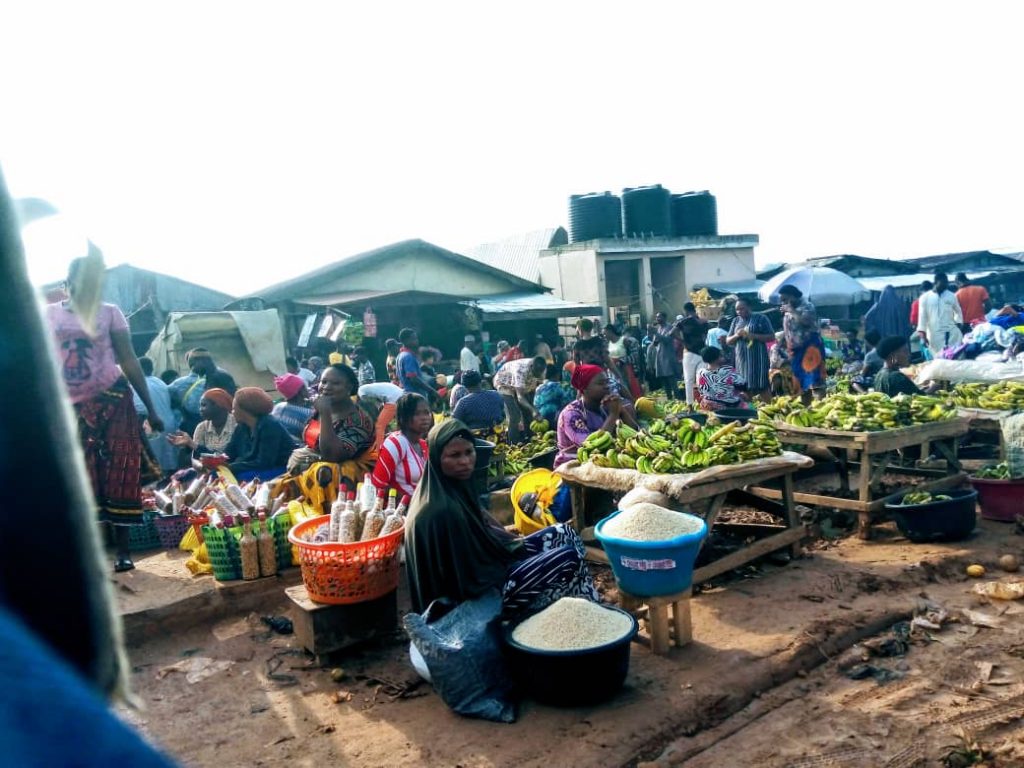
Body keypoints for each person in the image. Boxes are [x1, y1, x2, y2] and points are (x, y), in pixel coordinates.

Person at [405, 419, 600, 615]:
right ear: (437, 457)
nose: (464, 461)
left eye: (469, 452)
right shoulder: (441, 510)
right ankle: (577, 615)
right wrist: (522, 561)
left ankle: (582, 609)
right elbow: (467, 579)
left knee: (563, 532)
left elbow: (485, 526)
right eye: (454, 455)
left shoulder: (452, 488)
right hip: (474, 601)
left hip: (485, 570)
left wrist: (518, 545)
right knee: (567, 558)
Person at [45, 255, 164, 573]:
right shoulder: (50, 315)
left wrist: (151, 409)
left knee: (121, 473)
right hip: (70, 405)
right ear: (67, 284)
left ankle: (123, 552)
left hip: (114, 400)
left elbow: (128, 360)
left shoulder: (110, 313)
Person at [287, 363, 376, 483]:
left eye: (336, 383)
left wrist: (325, 414)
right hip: (307, 475)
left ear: (349, 387)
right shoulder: (321, 410)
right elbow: (311, 442)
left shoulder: (358, 420)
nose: (326, 387)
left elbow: (333, 456)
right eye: (323, 382)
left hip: (342, 480)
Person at [555, 364, 636, 467]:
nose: (607, 386)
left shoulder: (605, 406)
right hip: (573, 466)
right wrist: (613, 414)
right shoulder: (571, 414)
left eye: (607, 382)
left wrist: (621, 410)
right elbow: (592, 447)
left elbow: (635, 435)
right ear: (584, 389)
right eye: (601, 383)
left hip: (602, 461)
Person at [372, 393, 432, 498]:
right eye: (417, 413)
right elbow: (378, 484)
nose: (424, 418)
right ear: (404, 418)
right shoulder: (395, 443)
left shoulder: (424, 445)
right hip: (400, 509)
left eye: (427, 413)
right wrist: (409, 503)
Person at [168, 348, 237, 435]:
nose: (192, 369)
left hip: (222, 425)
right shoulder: (208, 376)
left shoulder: (220, 376)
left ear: (202, 361)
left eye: (193, 365)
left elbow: (230, 402)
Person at [778, 285, 826, 403]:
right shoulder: (789, 310)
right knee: (801, 384)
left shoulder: (807, 306)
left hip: (810, 348)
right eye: (782, 301)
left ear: (793, 295)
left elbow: (806, 321)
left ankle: (820, 407)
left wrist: (791, 311)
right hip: (796, 350)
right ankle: (806, 408)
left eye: (785, 299)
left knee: (816, 381)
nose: (783, 303)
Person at [132, 356, 179, 474]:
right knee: (169, 460)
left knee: (154, 463)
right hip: (169, 425)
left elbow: (139, 408)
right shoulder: (160, 383)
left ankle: (158, 490)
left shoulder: (136, 385)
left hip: (151, 425)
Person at [168, 387, 238, 464]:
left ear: (218, 405)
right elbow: (196, 457)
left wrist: (191, 443)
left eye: (203, 405)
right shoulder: (202, 427)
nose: (200, 409)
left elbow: (230, 457)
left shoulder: (237, 424)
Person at [727, 299, 773, 400]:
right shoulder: (736, 321)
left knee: (762, 386)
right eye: (737, 310)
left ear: (749, 307)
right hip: (742, 361)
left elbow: (771, 336)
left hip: (758, 360)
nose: (739, 312)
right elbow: (728, 341)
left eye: (742, 308)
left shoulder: (761, 318)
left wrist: (754, 336)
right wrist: (737, 335)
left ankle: (770, 409)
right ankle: (751, 411)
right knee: (745, 388)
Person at [493, 355, 547, 442]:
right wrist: (533, 410)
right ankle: (513, 443)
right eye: (535, 374)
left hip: (523, 385)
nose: (538, 376)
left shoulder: (541, 368)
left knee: (527, 413)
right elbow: (520, 397)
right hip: (505, 384)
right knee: (514, 416)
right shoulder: (521, 371)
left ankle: (530, 438)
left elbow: (533, 389)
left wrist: (532, 408)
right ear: (532, 368)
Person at [916, 272, 963, 351]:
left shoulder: (951, 296)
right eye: (944, 282)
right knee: (939, 360)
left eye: (947, 282)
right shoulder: (924, 298)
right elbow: (922, 317)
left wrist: (958, 324)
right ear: (936, 282)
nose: (946, 284)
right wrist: (922, 335)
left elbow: (958, 311)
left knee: (954, 357)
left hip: (952, 334)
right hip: (934, 335)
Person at [695, 346, 748, 411]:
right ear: (717, 358)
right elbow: (743, 384)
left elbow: (700, 389)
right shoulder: (727, 370)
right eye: (721, 356)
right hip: (728, 407)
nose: (723, 357)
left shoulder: (700, 372)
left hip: (707, 405)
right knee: (743, 398)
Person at [396, 328, 440, 403]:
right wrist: (431, 390)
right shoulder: (408, 357)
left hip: (407, 395)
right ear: (406, 341)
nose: (417, 341)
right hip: (415, 397)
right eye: (414, 338)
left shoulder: (400, 356)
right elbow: (413, 378)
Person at [677, 303, 707, 406]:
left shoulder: (683, 321)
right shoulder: (702, 321)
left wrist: (683, 341)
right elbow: (705, 335)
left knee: (689, 380)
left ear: (685, 311)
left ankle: (690, 405)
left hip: (689, 353)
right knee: (702, 379)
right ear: (694, 310)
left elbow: (671, 333)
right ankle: (704, 403)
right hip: (701, 352)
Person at [647, 311, 682, 399]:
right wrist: (650, 332)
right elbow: (655, 343)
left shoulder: (669, 327)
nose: (657, 319)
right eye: (656, 317)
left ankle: (678, 399)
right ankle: (669, 399)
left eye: (659, 317)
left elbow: (667, 340)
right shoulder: (658, 328)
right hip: (660, 358)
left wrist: (655, 333)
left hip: (668, 357)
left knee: (671, 381)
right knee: (664, 381)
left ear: (664, 318)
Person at [604, 324, 643, 399]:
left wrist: (622, 361)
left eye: (605, 333)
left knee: (628, 388)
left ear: (610, 332)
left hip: (625, 369)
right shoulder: (608, 344)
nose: (604, 335)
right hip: (614, 370)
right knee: (618, 390)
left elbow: (635, 355)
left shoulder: (624, 340)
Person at [272, 372, 313, 442]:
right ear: (302, 391)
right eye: (305, 386)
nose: (308, 389)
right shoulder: (308, 414)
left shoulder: (278, 406)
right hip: (295, 450)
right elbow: (313, 440)